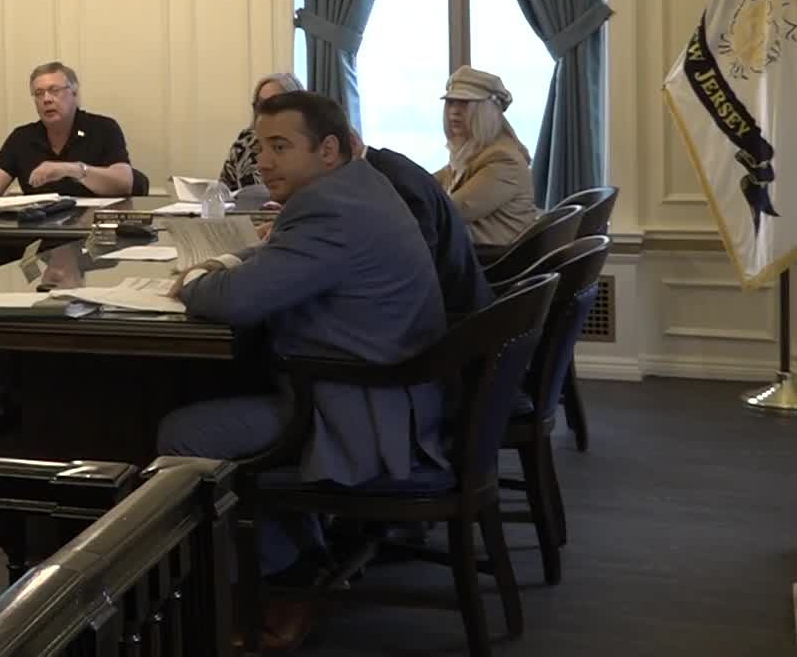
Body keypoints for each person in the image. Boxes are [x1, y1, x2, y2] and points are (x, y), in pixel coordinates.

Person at [156, 91, 447, 651]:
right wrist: (228, 264)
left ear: (328, 149)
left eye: (280, 147)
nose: (263, 163)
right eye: (260, 147)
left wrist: (194, 281)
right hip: (388, 392)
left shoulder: (329, 210)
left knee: (183, 432)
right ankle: (302, 559)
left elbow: (238, 301)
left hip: (360, 411)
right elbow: (276, 258)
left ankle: (288, 579)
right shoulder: (358, 187)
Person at [359, 134, 494, 316]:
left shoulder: (391, 181)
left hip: (452, 314)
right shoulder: (390, 166)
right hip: (453, 293)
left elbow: (416, 272)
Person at [0, 62, 134, 197]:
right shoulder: (22, 137)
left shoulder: (103, 128)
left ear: (74, 93)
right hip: (39, 222)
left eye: (54, 90)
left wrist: (72, 169)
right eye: (39, 93)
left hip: (90, 221)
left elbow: (124, 182)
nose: (46, 99)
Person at [432, 66, 541, 259]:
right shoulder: (472, 152)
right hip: (473, 256)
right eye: (451, 103)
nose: (454, 112)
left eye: (464, 103)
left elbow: (451, 211)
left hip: (494, 262)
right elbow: (427, 184)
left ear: (487, 111)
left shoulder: (503, 159)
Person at [218, 72, 303, 192]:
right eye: (261, 105)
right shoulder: (245, 141)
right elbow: (223, 190)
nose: (265, 112)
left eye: (273, 104)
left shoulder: (303, 142)